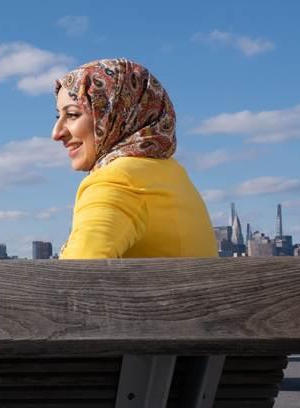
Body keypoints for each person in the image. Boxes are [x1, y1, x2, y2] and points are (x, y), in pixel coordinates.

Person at [52, 58, 216, 259]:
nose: (56, 133)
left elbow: (71, 281)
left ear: (113, 113)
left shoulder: (118, 180)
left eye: (73, 115)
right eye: (57, 116)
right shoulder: (172, 173)